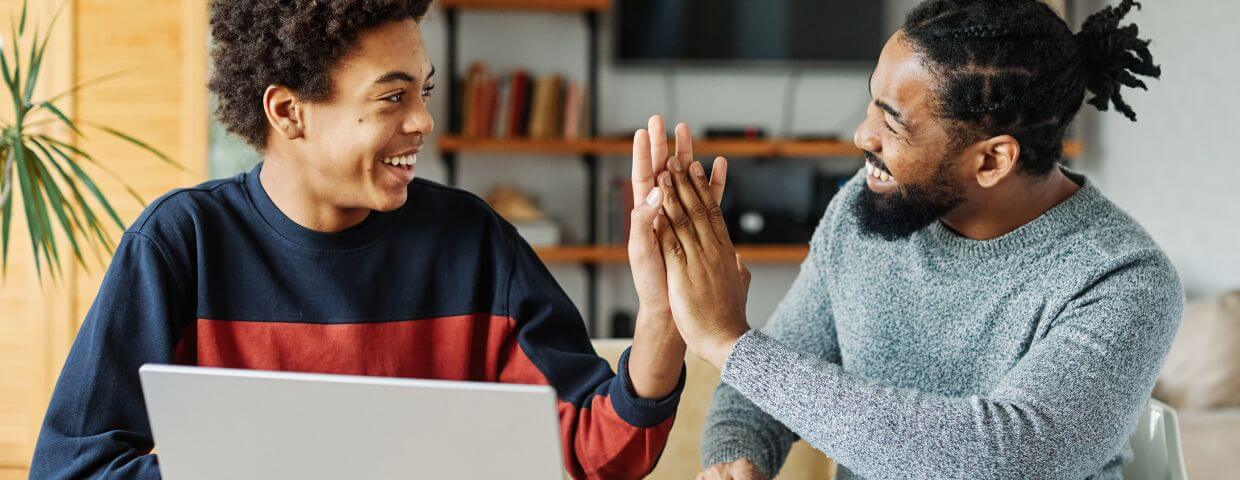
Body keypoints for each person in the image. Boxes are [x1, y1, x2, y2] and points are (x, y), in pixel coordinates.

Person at [29, 2, 714, 478]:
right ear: (289, 111)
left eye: (424, 90)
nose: (423, 119)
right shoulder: (179, 246)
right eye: (392, 97)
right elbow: (73, 467)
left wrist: (661, 318)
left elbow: (601, 454)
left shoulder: (473, 245)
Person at [630, 1, 1180, 478]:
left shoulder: (1123, 278)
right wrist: (737, 456)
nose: (861, 135)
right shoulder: (859, 211)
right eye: (871, 102)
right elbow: (763, 399)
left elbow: (1004, 460)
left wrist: (730, 345)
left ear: (992, 159)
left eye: (892, 124)